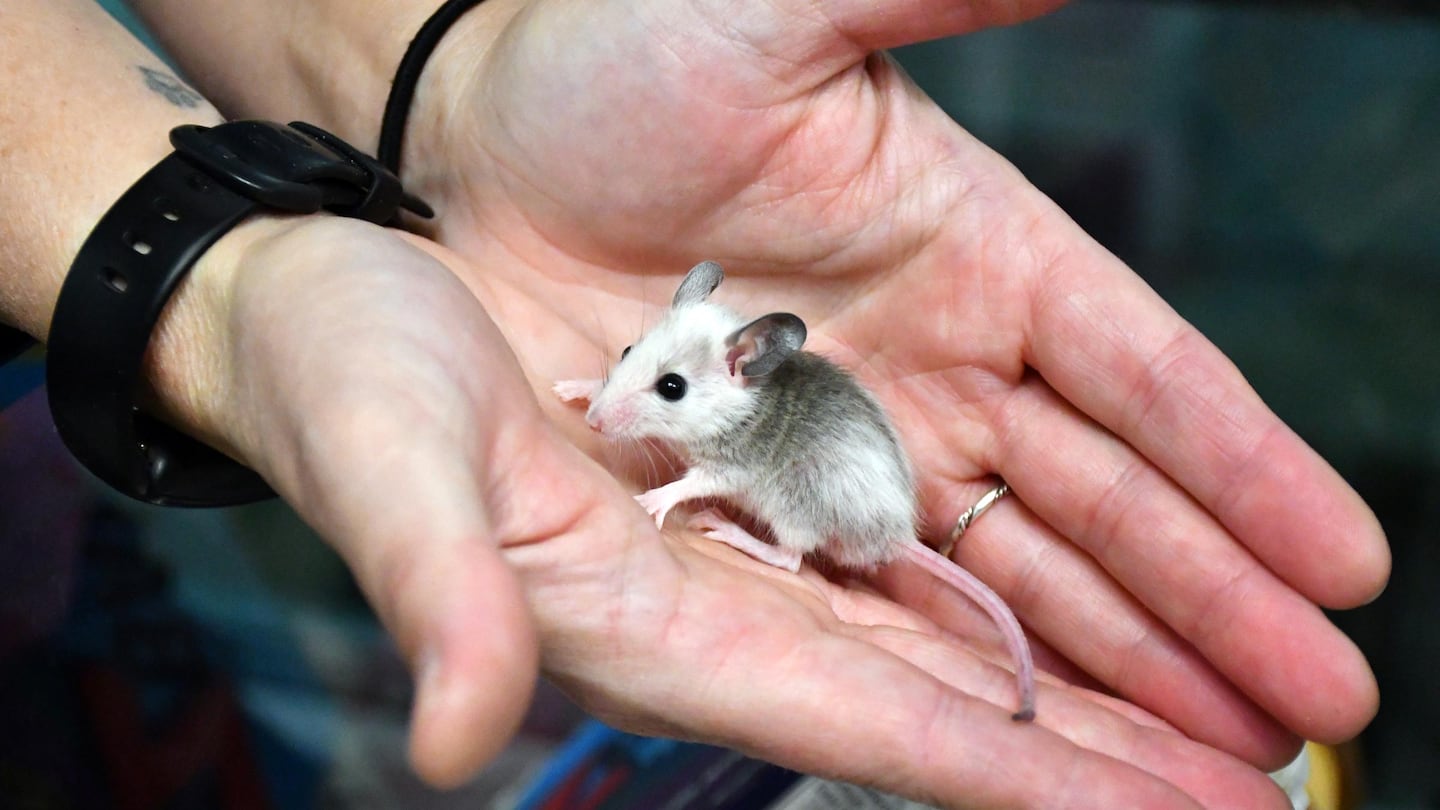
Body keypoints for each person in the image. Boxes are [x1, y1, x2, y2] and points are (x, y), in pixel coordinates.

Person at [0, 0, 1388, 806]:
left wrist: (457, 86)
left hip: (823, 511)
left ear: (743, 369)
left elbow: (704, 457)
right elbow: (651, 400)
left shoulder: (742, 408)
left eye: (659, 383)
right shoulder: (703, 362)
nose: (626, 398)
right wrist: (227, 281)